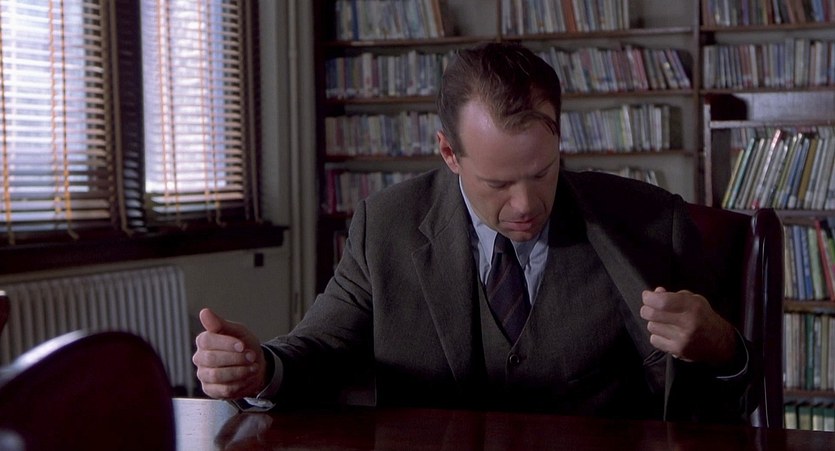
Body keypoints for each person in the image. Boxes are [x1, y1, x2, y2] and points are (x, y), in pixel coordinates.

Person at [193, 42, 757, 423]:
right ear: (448, 153)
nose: (526, 204)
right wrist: (260, 370)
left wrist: (723, 348)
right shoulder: (385, 227)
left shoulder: (652, 224)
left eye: (543, 172)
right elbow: (321, 350)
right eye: (498, 183)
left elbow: (731, 404)